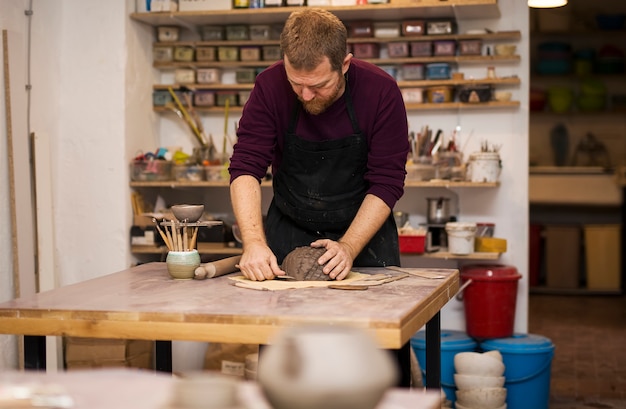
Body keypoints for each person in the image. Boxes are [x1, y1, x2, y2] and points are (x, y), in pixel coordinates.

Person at [228, 9, 411, 386]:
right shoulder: (269, 86)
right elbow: (246, 166)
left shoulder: (381, 92)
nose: (306, 95)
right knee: (288, 365)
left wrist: (348, 246)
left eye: (319, 85)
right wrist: (254, 243)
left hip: (363, 231)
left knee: (375, 364)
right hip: (290, 223)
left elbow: (387, 181)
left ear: (345, 63)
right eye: (297, 84)